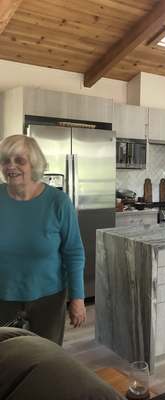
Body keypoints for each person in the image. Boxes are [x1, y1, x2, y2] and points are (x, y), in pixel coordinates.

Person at [0, 134, 86, 345]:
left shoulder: (58, 202)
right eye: (5, 160)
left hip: (49, 298)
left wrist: (77, 298)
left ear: (34, 164)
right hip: (3, 296)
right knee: (7, 356)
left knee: (46, 355)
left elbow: (73, 252)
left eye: (19, 160)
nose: (11, 166)